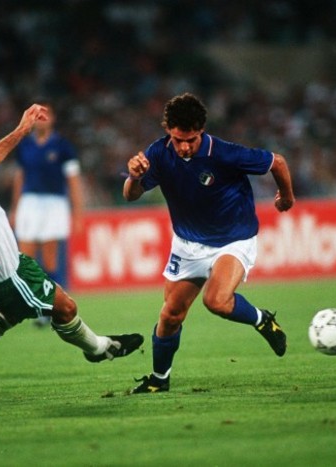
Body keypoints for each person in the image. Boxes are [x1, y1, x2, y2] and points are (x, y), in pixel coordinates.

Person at [0, 107, 143, 404]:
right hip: (9, 277)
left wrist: (21, 130)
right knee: (66, 308)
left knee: (7, 315)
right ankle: (100, 348)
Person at [123, 93, 295, 394]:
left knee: (216, 301)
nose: (185, 146)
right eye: (178, 140)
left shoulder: (224, 153)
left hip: (233, 239)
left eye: (191, 139)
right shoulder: (158, 153)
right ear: (168, 131)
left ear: (201, 130)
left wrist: (287, 197)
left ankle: (262, 320)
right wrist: (134, 177)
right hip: (188, 244)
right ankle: (159, 380)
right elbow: (130, 195)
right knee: (170, 315)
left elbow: (276, 162)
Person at [9, 103, 84, 327]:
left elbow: (73, 181)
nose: (42, 118)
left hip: (54, 203)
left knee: (50, 260)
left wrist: (77, 213)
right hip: (30, 202)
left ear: (53, 118)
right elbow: (19, 177)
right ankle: (33, 305)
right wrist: (15, 208)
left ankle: (52, 309)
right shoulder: (25, 146)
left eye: (46, 114)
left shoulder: (63, 146)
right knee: (25, 259)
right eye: (38, 115)